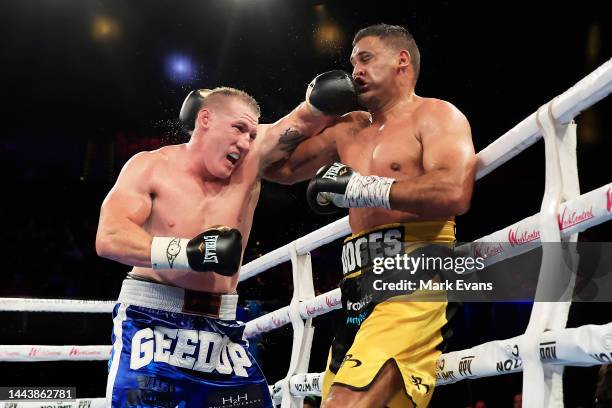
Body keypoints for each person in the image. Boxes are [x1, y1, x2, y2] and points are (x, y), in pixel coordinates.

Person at [96, 83, 358, 407]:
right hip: (152, 322)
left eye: (251, 134)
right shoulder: (150, 166)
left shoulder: (251, 158)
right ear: (205, 119)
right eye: (239, 129)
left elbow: (302, 119)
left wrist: (327, 99)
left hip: (222, 335)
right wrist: (188, 253)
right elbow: (109, 236)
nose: (246, 142)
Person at [265, 23, 477, 407]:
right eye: (352, 62)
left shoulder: (436, 115)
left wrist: (362, 188)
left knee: (344, 402)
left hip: (416, 273)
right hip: (357, 287)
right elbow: (274, 168)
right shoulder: (348, 128)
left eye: (365, 58)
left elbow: (454, 191)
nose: (355, 71)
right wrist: (311, 110)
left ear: (401, 61)